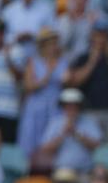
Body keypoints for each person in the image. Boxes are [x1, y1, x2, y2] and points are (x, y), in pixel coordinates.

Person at [65, 18, 108, 139]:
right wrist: (92, 61)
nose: (101, 39)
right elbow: (76, 81)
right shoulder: (84, 57)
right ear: (92, 37)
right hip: (90, 111)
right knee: (92, 146)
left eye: (104, 35)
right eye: (98, 35)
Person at [17, 28, 69, 157]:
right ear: (43, 45)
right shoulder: (33, 62)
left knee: (52, 144)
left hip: (55, 108)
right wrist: (47, 75)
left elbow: (67, 82)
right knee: (32, 146)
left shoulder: (63, 62)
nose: (53, 46)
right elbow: (28, 86)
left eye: (55, 43)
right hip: (36, 108)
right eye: (50, 43)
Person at [39, 88, 102, 174]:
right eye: (68, 105)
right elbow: (45, 148)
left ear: (80, 106)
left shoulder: (89, 121)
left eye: (74, 105)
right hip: (62, 170)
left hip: (86, 170)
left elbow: (97, 146)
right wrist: (62, 134)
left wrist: (76, 133)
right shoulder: (55, 123)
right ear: (63, 106)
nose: (71, 108)